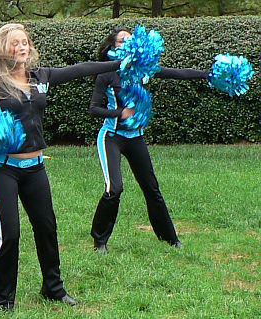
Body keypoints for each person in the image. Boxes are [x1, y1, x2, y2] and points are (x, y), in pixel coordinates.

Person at [0, 23, 123, 311]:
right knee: (9, 233)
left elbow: (82, 68)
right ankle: (3, 301)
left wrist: (121, 61)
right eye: (16, 43)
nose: (23, 47)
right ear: (4, 49)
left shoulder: (41, 77)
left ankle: (53, 288)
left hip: (35, 167)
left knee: (47, 227)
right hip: (2, 168)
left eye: (25, 42)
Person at [89, 28, 210, 253]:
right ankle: (100, 241)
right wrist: (120, 113)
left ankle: (169, 238)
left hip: (136, 138)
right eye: (121, 41)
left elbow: (177, 73)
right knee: (114, 189)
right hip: (112, 137)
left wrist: (206, 74)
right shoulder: (107, 73)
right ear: (114, 47)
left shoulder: (143, 71)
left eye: (130, 40)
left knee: (151, 188)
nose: (127, 43)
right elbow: (93, 108)